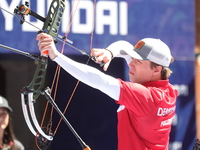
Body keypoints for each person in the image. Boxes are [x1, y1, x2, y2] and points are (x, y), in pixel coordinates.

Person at [36, 33, 178, 150]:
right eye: (132, 59)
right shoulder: (168, 91)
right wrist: (110, 53)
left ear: (157, 69)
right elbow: (124, 46)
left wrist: (56, 56)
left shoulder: (147, 97)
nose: (131, 63)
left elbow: (99, 80)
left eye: (138, 62)